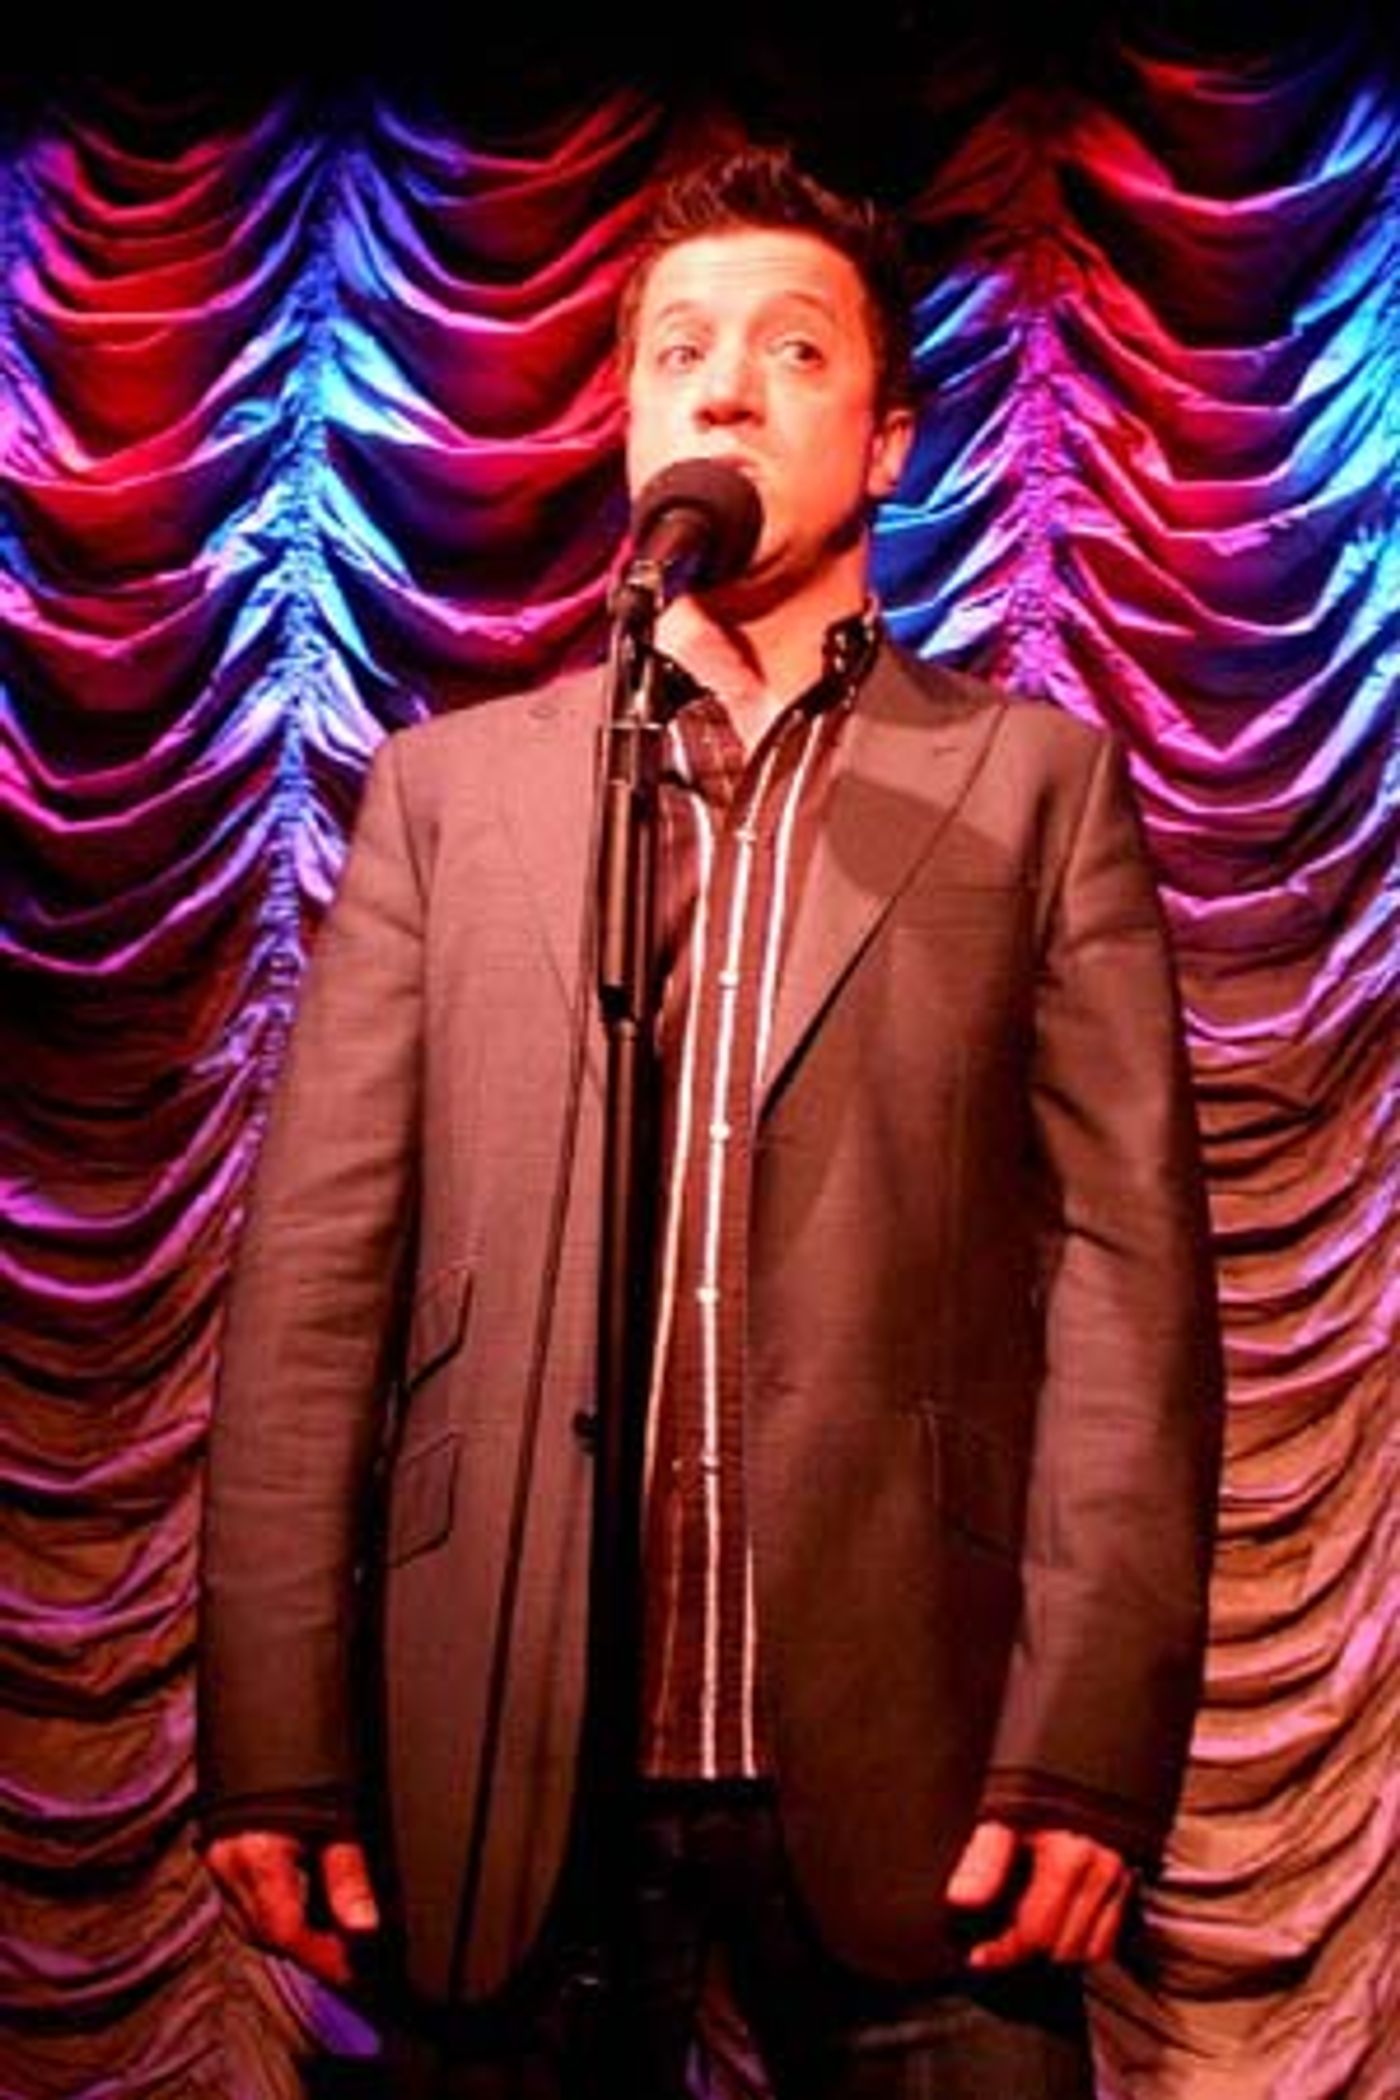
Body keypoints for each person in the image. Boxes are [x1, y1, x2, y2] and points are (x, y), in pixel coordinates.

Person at [197, 142, 1225, 2099]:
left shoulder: (1032, 789)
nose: (725, 390)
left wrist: (1089, 1748)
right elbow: (318, 1284)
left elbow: (1131, 1291)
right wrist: (271, 1737)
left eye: (790, 350)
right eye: (677, 352)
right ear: (628, 423)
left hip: (924, 1763)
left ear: (892, 442)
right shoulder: (448, 801)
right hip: (495, 1757)